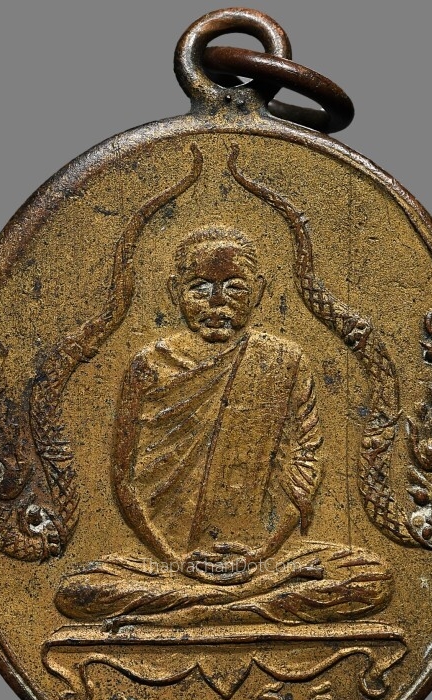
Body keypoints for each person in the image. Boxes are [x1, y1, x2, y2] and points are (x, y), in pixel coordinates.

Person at [55, 226, 393, 625]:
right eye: (200, 287)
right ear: (175, 290)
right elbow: (124, 479)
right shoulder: (150, 364)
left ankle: (202, 608)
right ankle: (244, 603)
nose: (217, 301)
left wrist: (262, 552)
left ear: (259, 290)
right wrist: (175, 559)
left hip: (264, 558)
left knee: (372, 578)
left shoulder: (284, 360)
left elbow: (306, 460)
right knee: (80, 591)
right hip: (168, 564)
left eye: (234, 287)